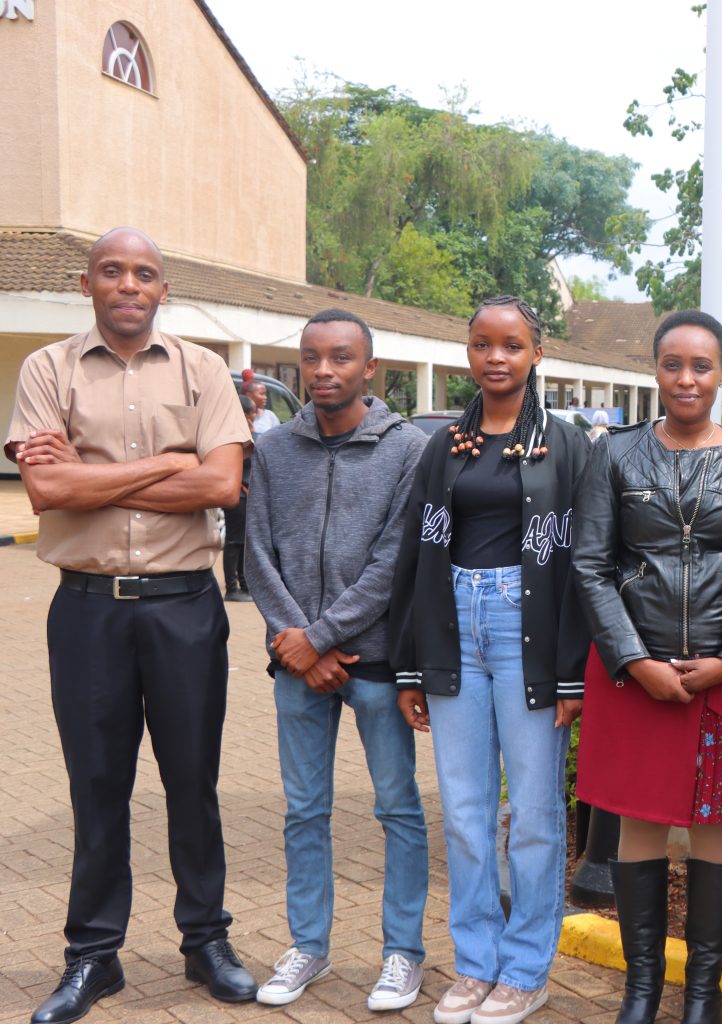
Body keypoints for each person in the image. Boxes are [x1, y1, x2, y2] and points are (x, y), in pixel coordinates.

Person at [5, 227, 257, 1022]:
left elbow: (222, 485)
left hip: (185, 608)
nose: (128, 285)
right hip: (87, 612)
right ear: (87, 284)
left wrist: (91, 473)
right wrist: (171, 463)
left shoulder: (203, 369)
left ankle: (206, 940)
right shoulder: (46, 369)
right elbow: (46, 492)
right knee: (96, 784)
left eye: (144, 274)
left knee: (193, 781)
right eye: (111, 271)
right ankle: (93, 956)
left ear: (162, 290)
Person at [572, 310, 722, 1024]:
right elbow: (591, 565)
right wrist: (635, 659)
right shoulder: (614, 453)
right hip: (637, 673)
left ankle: (702, 994)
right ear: (656, 370)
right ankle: (642, 989)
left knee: (716, 829)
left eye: (701, 366)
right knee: (639, 826)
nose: (686, 379)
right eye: (673, 365)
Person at [390, 295, 590, 1024]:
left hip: (526, 629)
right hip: (453, 628)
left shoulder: (567, 445)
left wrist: (573, 671)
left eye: (511, 345)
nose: (495, 357)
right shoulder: (444, 445)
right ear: (467, 352)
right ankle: (476, 963)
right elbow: (417, 554)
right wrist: (410, 664)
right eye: (482, 344)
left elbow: (584, 563)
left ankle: (527, 969)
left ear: (537, 353)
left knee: (532, 812)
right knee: (466, 812)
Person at [243, 309, 430, 1010]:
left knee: (398, 808)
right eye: (312, 357)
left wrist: (319, 634)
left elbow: (394, 560)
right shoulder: (273, 449)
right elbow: (256, 553)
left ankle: (403, 952)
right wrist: (296, 641)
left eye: (341, 357)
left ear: (369, 367)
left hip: (373, 662)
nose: (324, 371)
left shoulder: (407, 449)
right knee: (303, 811)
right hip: (296, 664)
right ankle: (308, 947)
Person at [221, 394, 257, 601]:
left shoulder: (246, 431)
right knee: (234, 541)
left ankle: (244, 585)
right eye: (251, 412)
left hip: (247, 494)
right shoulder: (233, 434)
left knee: (243, 541)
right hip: (237, 493)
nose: (254, 416)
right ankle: (231, 588)